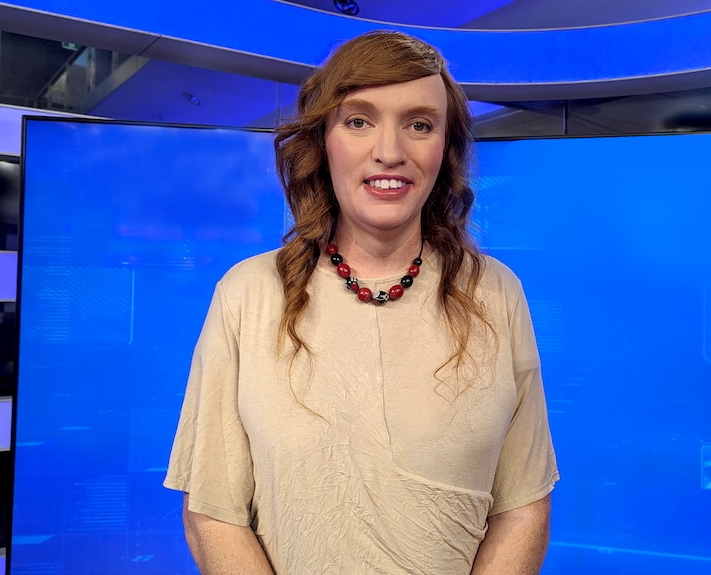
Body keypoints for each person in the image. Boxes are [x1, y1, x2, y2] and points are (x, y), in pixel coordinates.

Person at [164, 30, 559, 574]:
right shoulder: (247, 294)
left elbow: (523, 504)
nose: (389, 152)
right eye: (358, 121)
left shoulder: (496, 293)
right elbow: (213, 513)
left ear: (445, 150)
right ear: (323, 140)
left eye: (419, 125)